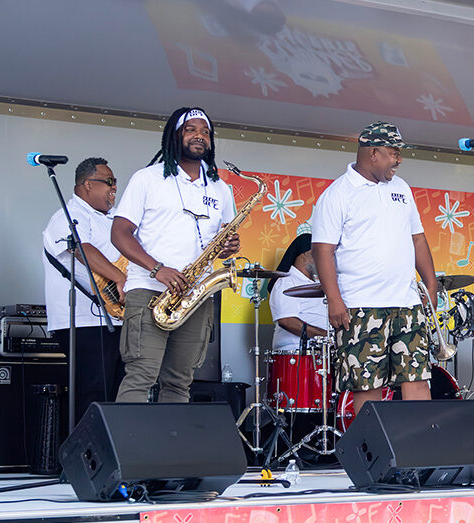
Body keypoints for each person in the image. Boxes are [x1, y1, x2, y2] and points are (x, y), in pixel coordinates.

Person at [310, 121, 439, 420]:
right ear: (374, 153)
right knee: (367, 387)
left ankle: (422, 457)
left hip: (406, 303)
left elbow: (417, 238)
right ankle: (377, 460)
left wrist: (430, 284)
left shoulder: (402, 188)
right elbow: (322, 250)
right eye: (394, 152)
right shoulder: (338, 193)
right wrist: (335, 300)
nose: (399, 159)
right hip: (361, 306)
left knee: (417, 380)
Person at [111, 107, 240, 403]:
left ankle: (170, 446)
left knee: (180, 382)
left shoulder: (220, 187)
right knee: (141, 375)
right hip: (150, 289)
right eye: (191, 130)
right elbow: (119, 233)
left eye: (205, 132)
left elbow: (223, 238)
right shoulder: (148, 178)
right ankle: (130, 448)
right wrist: (158, 269)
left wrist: (230, 246)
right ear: (175, 135)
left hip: (195, 295)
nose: (200, 136)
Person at [41, 157, 128, 422]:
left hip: (114, 318)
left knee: (114, 393)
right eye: (109, 182)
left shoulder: (111, 218)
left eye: (115, 183)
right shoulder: (68, 216)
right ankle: (83, 459)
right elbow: (81, 248)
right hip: (83, 320)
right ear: (88, 184)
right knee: (93, 393)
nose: (114, 189)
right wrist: (119, 277)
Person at [268, 232, 330, 351]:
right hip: (296, 351)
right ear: (304, 254)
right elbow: (287, 321)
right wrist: (325, 335)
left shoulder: (318, 283)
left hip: (321, 350)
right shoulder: (286, 282)